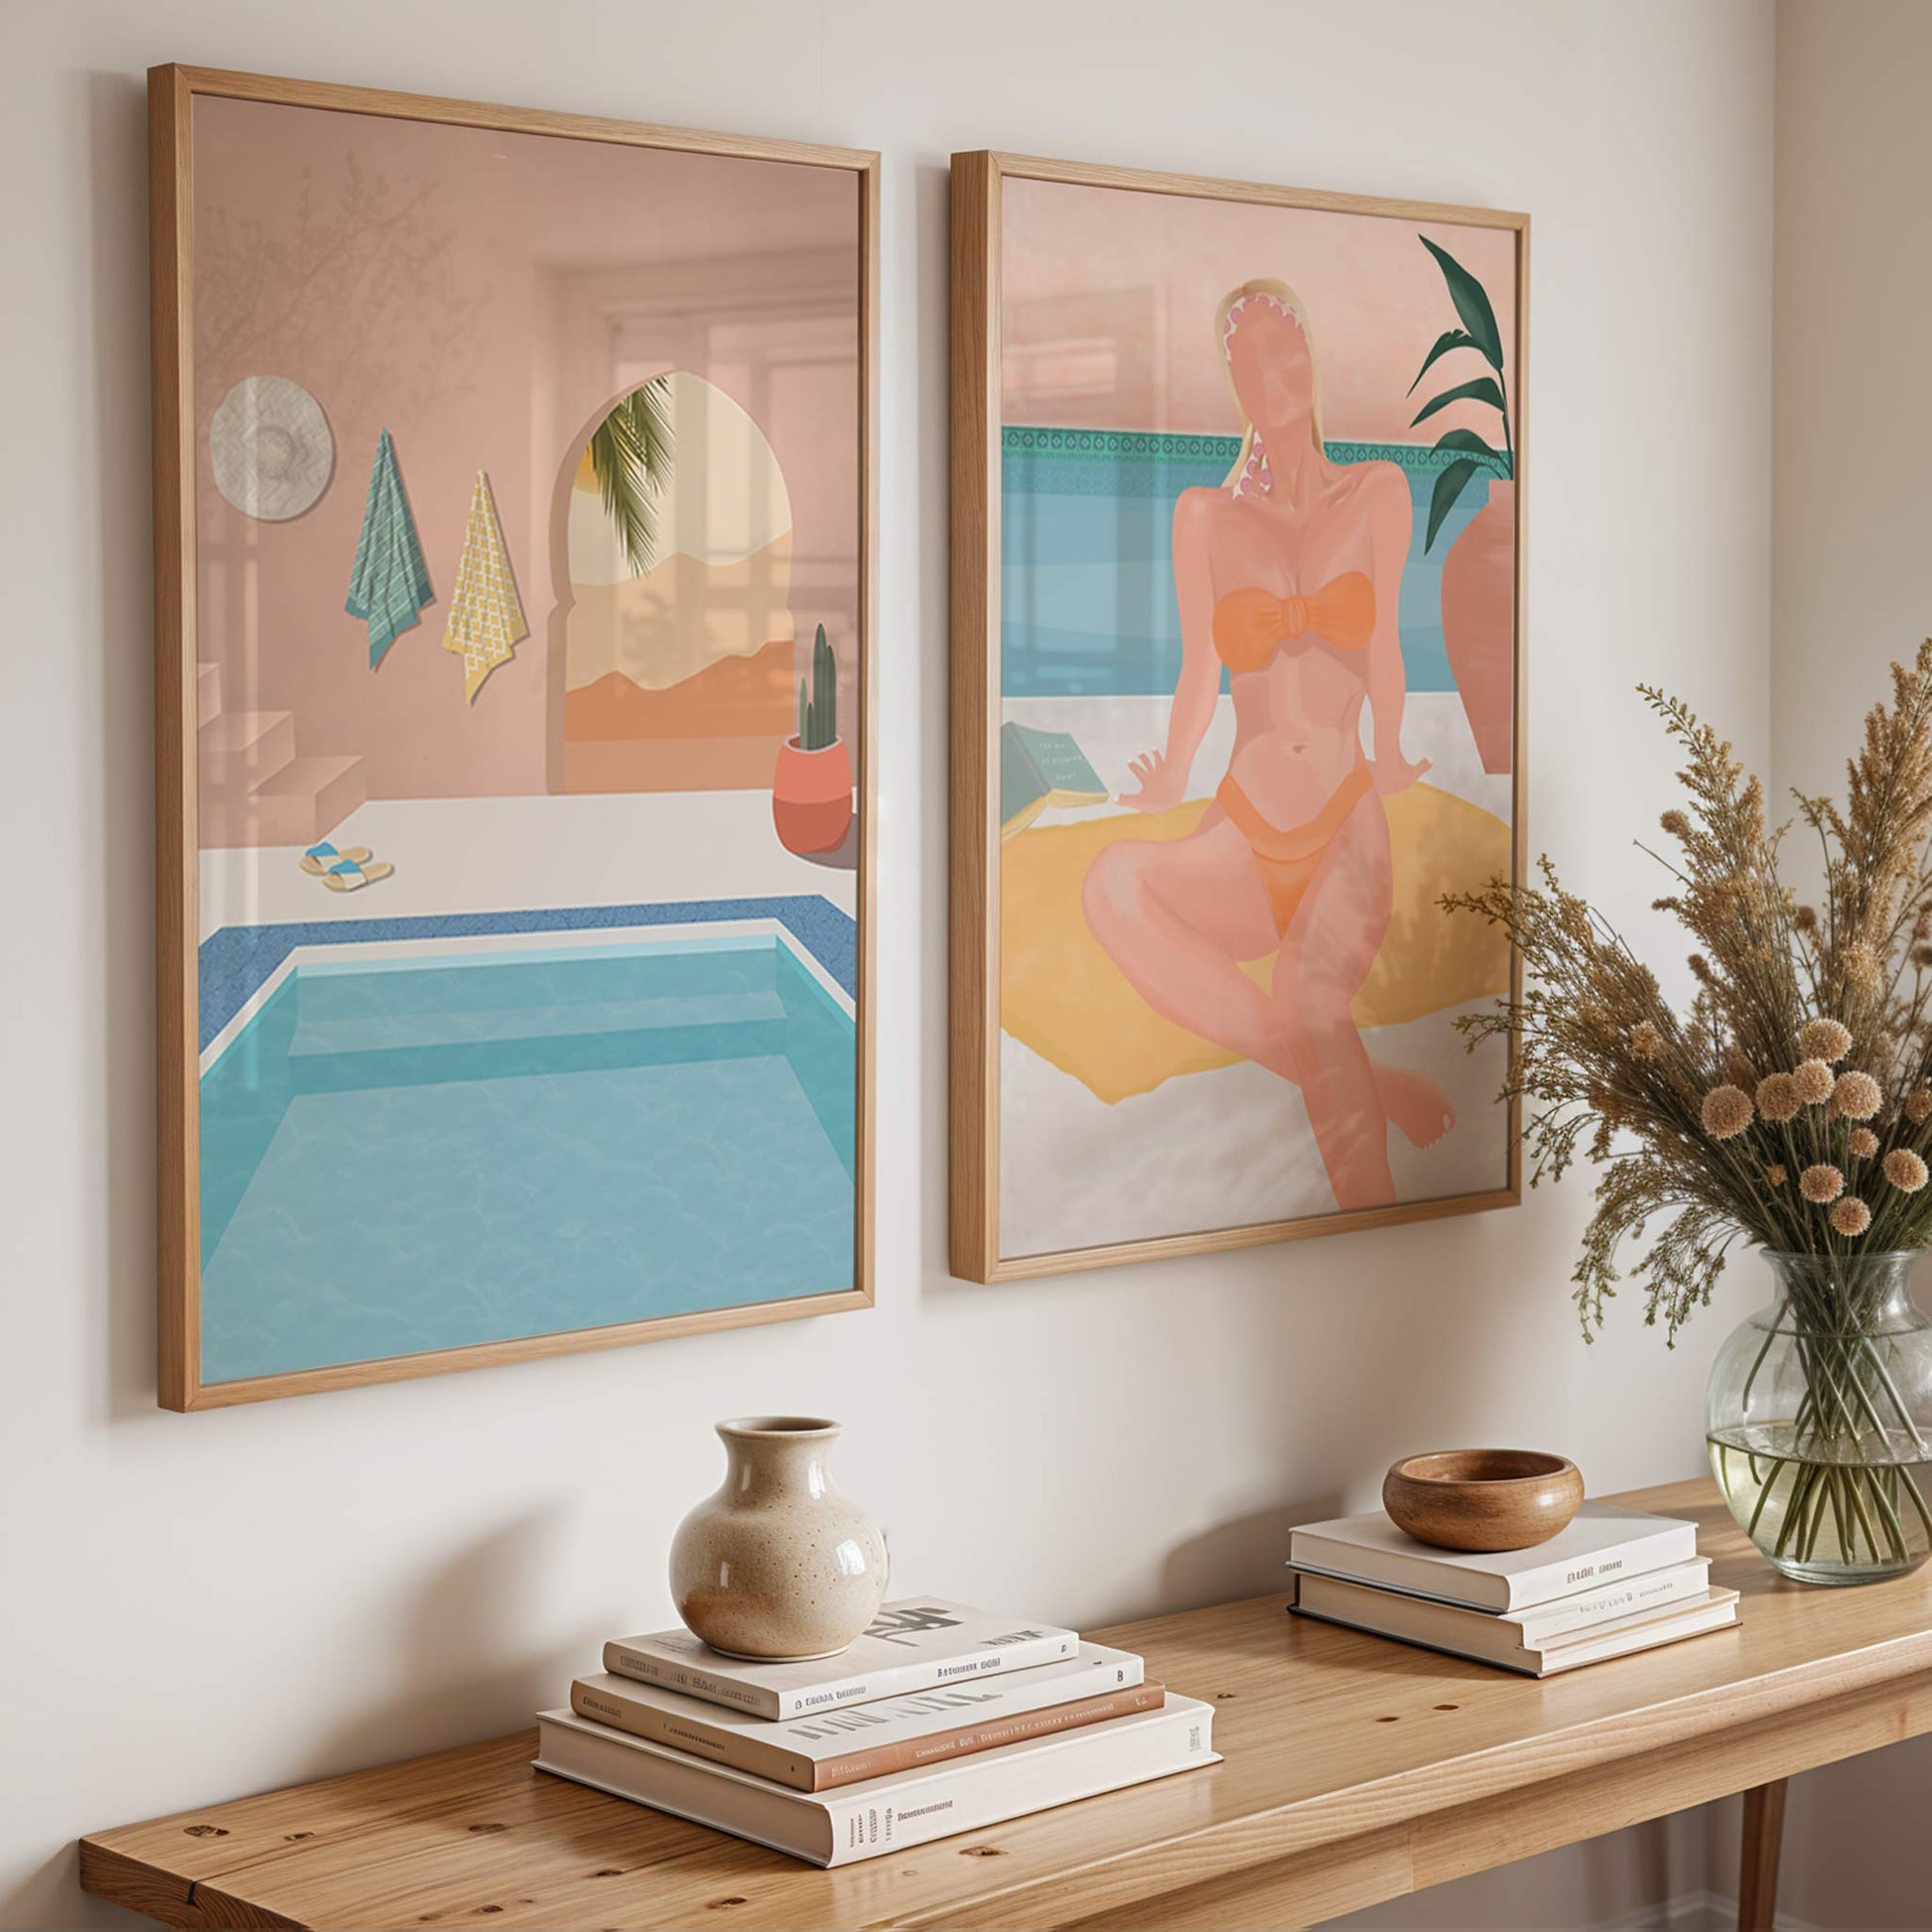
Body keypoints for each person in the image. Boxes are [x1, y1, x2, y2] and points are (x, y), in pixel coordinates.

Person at [1081, 279, 1451, 1211]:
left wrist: (1396, 746)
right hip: (1243, 827)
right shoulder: (1204, 516)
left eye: (1289, 350)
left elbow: (1386, 645)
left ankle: (1373, 1231)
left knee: (1313, 997)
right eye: (1251, 360)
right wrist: (1169, 772)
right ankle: (1368, 1086)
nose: (1273, 373)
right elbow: (1200, 671)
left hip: (1340, 818)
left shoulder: (1377, 491)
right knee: (1112, 884)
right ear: (1233, 382)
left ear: (1313, 362)